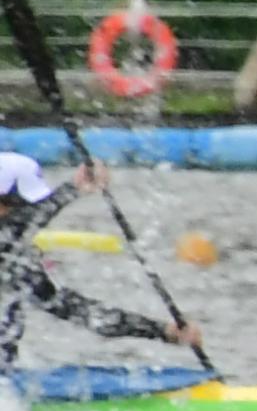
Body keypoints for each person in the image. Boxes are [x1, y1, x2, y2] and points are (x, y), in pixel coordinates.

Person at [0, 151, 199, 372]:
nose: (24, 213)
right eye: (17, 205)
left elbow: (81, 313)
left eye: (26, 206)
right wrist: (72, 190)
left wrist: (162, 331)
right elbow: (17, 226)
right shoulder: (10, 239)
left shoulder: (16, 262)